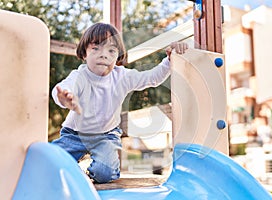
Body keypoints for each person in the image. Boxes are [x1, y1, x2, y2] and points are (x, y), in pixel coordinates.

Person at [51, 22, 188, 183]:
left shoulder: (122, 76)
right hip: (75, 134)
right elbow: (64, 88)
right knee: (51, 162)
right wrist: (64, 98)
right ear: (84, 53)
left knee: (105, 173)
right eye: (96, 48)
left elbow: (152, 78)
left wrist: (169, 60)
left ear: (118, 56)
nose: (104, 55)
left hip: (106, 136)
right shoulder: (80, 75)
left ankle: (89, 173)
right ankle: (72, 167)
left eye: (111, 50)